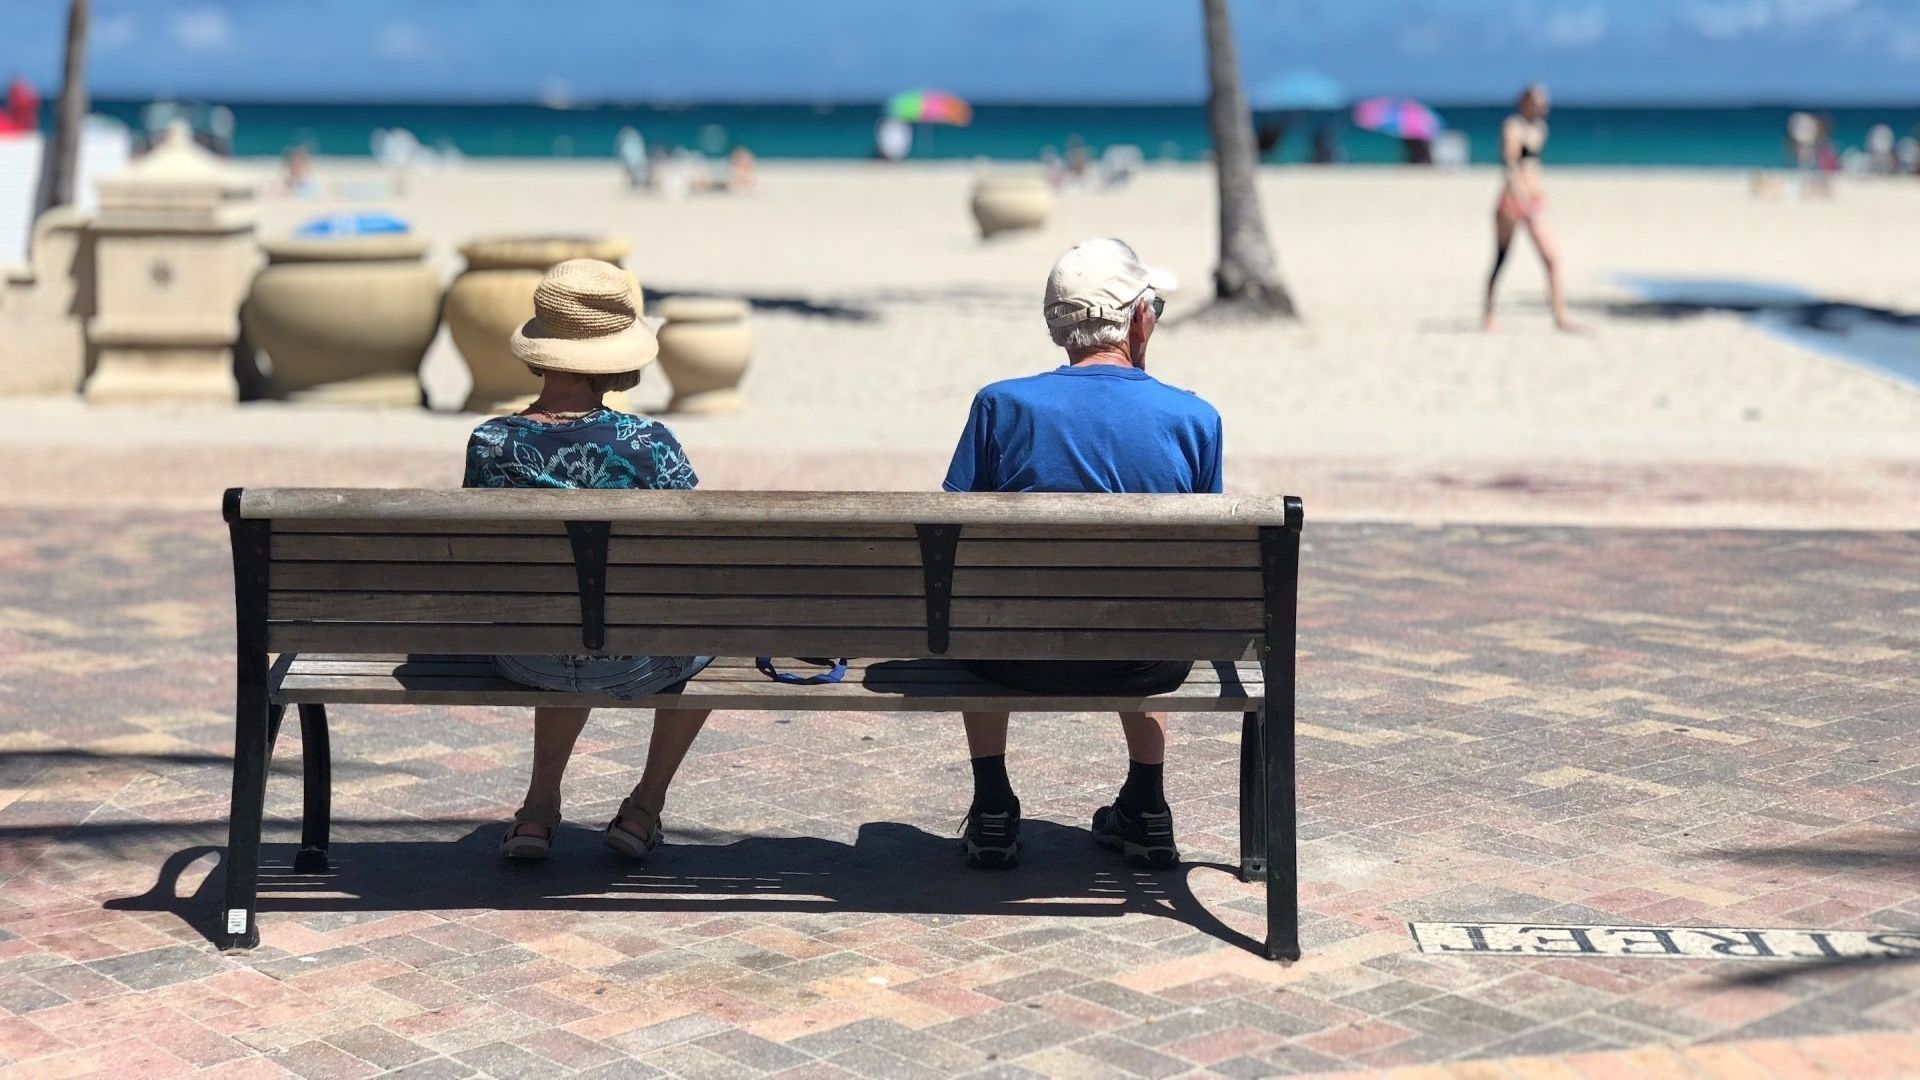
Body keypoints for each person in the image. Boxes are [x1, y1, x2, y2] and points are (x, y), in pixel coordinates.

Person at [942, 238, 1223, 872]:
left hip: (1013, 659)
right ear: (1139, 319)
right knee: (1148, 599)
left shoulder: (1001, 407)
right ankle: (1147, 804)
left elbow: (952, 536)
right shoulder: (1195, 419)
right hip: (1145, 663)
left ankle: (991, 805)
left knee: (979, 605)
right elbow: (1199, 567)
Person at [462, 259, 713, 863]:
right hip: (633, 663)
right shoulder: (649, 445)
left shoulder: (490, 443)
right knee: (714, 630)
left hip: (525, 656)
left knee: (561, 611)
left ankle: (538, 811)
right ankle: (645, 807)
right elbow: (695, 546)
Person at [1483, 83, 1575, 332]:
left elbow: (1533, 166)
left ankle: (1560, 315)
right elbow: (1510, 165)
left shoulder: (1540, 129)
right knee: (1502, 258)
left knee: (1552, 259)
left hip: (1535, 201)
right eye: (1538, 101)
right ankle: (1489, 313)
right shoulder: (1513, 127)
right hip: (1513, 201)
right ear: (1525, 102)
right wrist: (1521, 197)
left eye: (1545, 102)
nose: (1543, 106)